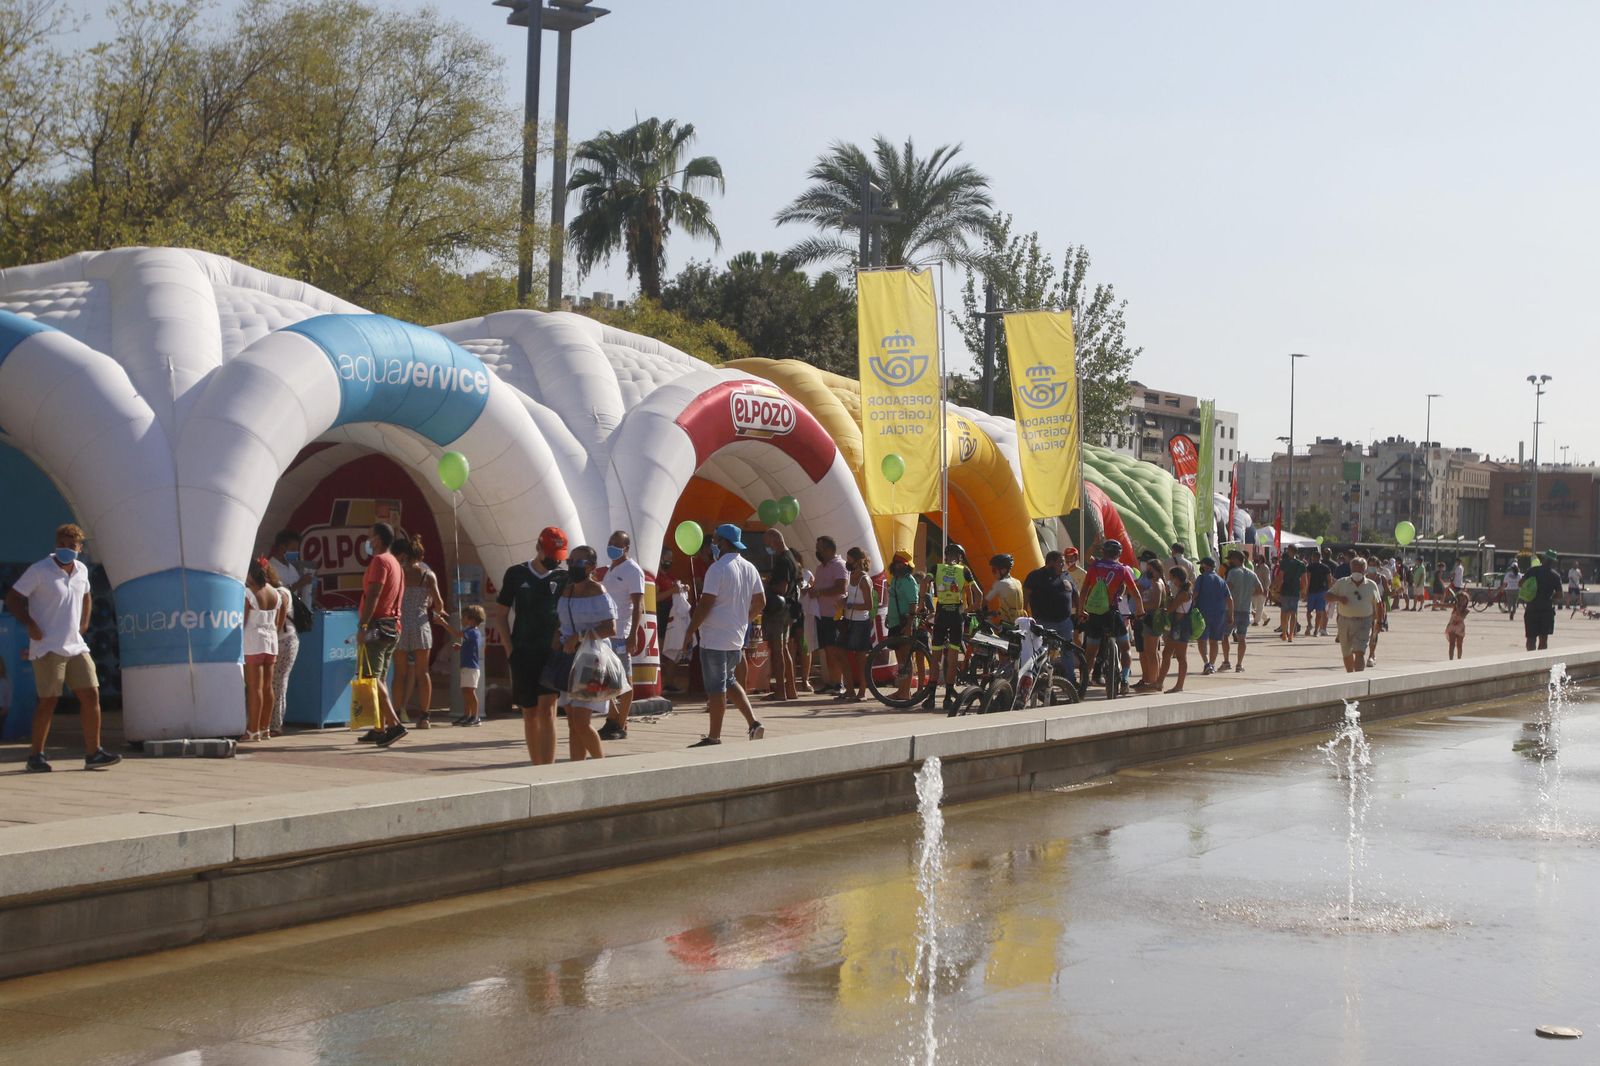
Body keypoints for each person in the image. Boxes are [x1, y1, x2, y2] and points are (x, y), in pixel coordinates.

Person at [4, 525, 120, 771]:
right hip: (47, 646)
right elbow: (13, 598)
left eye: (71, 545)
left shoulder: (82, 570)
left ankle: (93, 753)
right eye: (61, 544)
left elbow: (87, 595)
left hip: (76, 646)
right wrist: (30, 624)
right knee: (49, 700)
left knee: (91, 695)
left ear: (80, 548)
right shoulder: (39, 570)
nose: (65, 549)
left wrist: (85, 622)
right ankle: (36, 756)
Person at [683, 525, 766, 746]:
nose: (713, 544)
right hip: (735, 637)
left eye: (716, 540)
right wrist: (744, 619)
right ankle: (753, 722)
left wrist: (689, 631)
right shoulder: (750, 568)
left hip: (714, 638)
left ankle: (714, 737)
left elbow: (705, 604)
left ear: (723, 543)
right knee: (729, 681)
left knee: (716, 689)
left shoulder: (717, 568)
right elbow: (761, 602)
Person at [496, 527, 570, 765]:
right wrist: (510, 651)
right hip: (523, 652)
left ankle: (547, 769)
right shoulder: (516, 574)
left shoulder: (562, 577)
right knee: (529, 713)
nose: (553, 561)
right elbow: (501, 615)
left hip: (551, 654)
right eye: (550, 554)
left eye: (557, 556)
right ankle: (535, 765)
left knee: (548, 711)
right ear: (538, 548)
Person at [551, 545, 615, 762]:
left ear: (590, 566)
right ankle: (576, 768)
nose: (572, 566)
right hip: (568, 660)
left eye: (577, 563)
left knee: (581, 720)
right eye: (570, 562)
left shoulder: (598, 591)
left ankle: (600, 764)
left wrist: (578, 637)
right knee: (572, 722)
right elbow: (561, 625)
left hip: (592, 659)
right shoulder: (567, 591)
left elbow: (610, 627)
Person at [598, 531, 648, 739]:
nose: (612, 547)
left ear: (626, 548)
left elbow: (638, 605)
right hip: (606, 633)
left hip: (621, 633)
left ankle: (621, 723)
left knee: (624, 680)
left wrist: (633, 635)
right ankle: (612, 719)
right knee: (609, 680)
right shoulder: (610, 569)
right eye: (610, 543)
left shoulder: (633, 570)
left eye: (617, 544)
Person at [392, 534, 445, 729]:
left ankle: (396, 715)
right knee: (423, 673)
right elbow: (439, 605)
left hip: (401, 624)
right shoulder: (427, 575)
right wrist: (431, 604)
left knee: (399, 673)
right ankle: (425, 717)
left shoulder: (398, 573)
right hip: (420, 624)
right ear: (421, 557)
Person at [1077, 540, 1142, 696]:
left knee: (1091, 652)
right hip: (1112, 613)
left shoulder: (1095, 567)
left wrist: (1081, 611)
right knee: (1125, 648)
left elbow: (1084, 591)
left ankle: (1084, 682)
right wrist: (1140, 611)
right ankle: (1125, 679)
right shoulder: (1123, 570)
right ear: (1119, 554)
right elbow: (1136, 594)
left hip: (1095, 615)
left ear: (1103, 553)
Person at [266, 528, 312, 736]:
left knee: (277, 682)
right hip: (280, 634)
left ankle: (273, 723)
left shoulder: (290, 567)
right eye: (292, 548)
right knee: (272, 682)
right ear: (283, 546)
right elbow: (283, 595)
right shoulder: (272, 566)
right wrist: (298, 584)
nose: (294, 552)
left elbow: (285, 599)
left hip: (285, 634)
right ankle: (268, 722)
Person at [925, 542, 978, 710]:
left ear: (946, 556)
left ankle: (931, 698)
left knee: (936, 657)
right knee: (953, 656)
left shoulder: (936, 568)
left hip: (941, 614)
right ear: (960, 557)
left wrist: (921, 605)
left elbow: (924, 584)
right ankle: (948, 697)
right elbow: (980, 596)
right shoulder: (964, 571)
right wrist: (967, 610)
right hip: (956, 615)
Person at [242, 556, 284, 742]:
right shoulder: (277, 594)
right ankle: (265, 728)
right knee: (268, 687)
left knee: (254, 688)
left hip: (253, 640)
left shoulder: (248, 594)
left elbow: (241, 621)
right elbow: (278, 623)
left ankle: (252, 731)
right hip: (271, 640)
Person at [757, 529, 800, 705]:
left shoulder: (783, 560)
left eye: (769, 544)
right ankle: (791, 689)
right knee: (783, 650)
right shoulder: (791, 558)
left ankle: (781, 691)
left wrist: (766, 584)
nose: (769, 548)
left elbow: (782, 587)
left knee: (777, 650)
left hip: (778, 610)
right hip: (788, 608)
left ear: (775, 540)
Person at [1023, 551, 1078, 686]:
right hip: (1043, 621)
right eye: (1060, 561)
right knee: (1042, 653)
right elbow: (1026, 593)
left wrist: (1081, 611)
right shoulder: (1036, 575)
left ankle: (1071, 680)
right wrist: (1024, 610)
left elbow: (1076, 595)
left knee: (1068, 650)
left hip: (1065, 622)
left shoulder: (1066, 576)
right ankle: (1040, 682)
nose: (1063, 564)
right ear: (1050, 562)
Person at [801, 536, 847, 694]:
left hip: (835, 615)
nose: (817, 551)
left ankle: (839, 684)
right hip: (821, 615)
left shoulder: (840, 565)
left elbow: (841, 588)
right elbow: (817, 588)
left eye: (819, 548)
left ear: (828, 549)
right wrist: (809, 590)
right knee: (826, 650)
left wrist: (820, 592)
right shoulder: (820, 568)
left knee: (834, 650)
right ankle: (831, 682)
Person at [1326, 557, 1381, 673]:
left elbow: (1379, 604)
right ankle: (1350, 676)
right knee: (1347, 652)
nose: (1357, 572)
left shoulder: (1372, 585)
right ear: (1350, 569)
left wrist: (1379, 622)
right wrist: (1339, 598)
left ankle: (1358, 679)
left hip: (1364, 622)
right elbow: (1327, 596)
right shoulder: (1342, 583)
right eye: (1355, 569)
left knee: (1359, 652)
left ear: (1365, 570)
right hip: (1344, 622)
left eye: (1360, 569)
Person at [838, 547, 876, 701]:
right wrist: (844, 602)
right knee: (841, 652)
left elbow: (869, 605)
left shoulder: (864, 579)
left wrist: (849, 605)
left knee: (861, 659)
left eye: (850, 560)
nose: (847, 563)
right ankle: (849, 689)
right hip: (848, 620)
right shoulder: (851, 575)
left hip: (860, 622)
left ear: (857, 561)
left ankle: (862, 691)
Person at [885, 549, 921, 701]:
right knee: (900, 659)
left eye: (902, 564)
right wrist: (888, 616)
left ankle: (905, 692)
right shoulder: (895, 580)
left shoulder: (908, 581)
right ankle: (901, 690)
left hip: (905, 623)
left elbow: (913, 604)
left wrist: (909, 625)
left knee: (906, 658)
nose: (899, 566)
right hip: (894, 622)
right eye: (897, 563)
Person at [1221, 548, 1263, 672]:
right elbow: (1260, 589)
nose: (1229, 562)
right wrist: (1249, 593)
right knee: (1242, 638)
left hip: (1232, 609)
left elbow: (1228, 587)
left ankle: (1227, 661)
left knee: (1225, 636)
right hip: (1245, 609)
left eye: (1231, 559)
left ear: (1236, 560)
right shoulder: (1252, 573)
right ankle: (1239, 664)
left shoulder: (1233, 572)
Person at [1130, 557, 1167, 692]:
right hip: (1150, 619)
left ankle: (1152, 682)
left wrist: (1140, 606)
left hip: (1151, 619)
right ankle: (1153, 680)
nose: (1148, 572)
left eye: (1150, 569)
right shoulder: (1154, 583)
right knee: (1151, 652)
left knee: (1150, 652)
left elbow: (1155, 603)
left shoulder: (1157, 583)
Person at [1156, 566, 1193, 693]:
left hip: (1181, 626)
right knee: (1167, 653)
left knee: (1181, 657)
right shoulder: (1182, 591)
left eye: (1172, 578)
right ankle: (1159, 682)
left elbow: (1172, 608)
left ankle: (1179, 686)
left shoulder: (1183, 593)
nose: (1171, 580)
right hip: (1177, 626)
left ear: (1177, 578)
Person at [1191, 557, 1231, 675]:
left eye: (1202, 565)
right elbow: (1230, 599)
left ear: (1205, 566)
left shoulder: (1201, 578)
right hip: (1219, 614)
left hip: (1202, 614)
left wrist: (1190, 608)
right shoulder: (1221, 580)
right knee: (1214, 641)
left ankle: (1206, 662)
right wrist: (1230, 614)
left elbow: (1195, 595)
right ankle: (1212, 664)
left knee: (1202, 639)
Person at [449, 604, 486, 726]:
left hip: (471, 667)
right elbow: (471, 647)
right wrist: (461, 647)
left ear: (471, 619)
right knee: (466, 692)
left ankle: (476, 716)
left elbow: (456, 634)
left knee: (470, 692)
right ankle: (467, 715)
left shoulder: (472, 632)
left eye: (463, 617)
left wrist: (443, 623)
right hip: (466, 666)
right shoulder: (470, 633)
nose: (461, 620)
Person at [1522, 549, 1564, 651]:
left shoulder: (1532, 571)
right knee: (1543, 640)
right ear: (1553, 562)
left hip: (1532, 608)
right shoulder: (1555, 576)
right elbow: (1559, 595)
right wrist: (1551, 599)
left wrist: (1530, 591)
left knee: (1531, 639)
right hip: (1546, 610)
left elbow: (1521, 583)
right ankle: (1540, 663)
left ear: (1543, 559)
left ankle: (1530, 661)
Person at [659, 579, 693, 695]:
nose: (668, 560)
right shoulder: (657, 576)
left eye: (669, 559)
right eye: (666, 559)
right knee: (661, 650)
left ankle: (669, 683)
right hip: (660, 613)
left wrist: (684, 588)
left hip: (672, 614)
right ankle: (658, 682)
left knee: (673, 652)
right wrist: (672, 591)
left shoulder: (671, 576)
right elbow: (655, 598)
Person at [1275, 546, 1307, 641]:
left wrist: (1276, 588)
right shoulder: (1301, 564)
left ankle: (1284, 633)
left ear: (1290, 551)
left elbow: (1280, 577)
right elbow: (1304, 579)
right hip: (1295, 590)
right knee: (1293, 613)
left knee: (1284, 612)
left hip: (1285, 589)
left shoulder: (1284, 563)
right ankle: (1291, 635)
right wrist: (1304, 590)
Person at [985, 553, 1024, 626]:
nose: (993, 573)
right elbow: (1011, 606)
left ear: (1003, 570)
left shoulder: (1000, 583)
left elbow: (984, 601)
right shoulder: (1017, 582)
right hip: (1021, 621)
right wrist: (997, 612)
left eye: (994, 570)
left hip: (1009, 623)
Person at [1305, 548, 1333, 638]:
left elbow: (1307, 580)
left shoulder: (1310, 567)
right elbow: (1330, 580)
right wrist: (1329, 591)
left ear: (1313, 558)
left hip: (1312, 592)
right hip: (1322, 592)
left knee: (1309, 611)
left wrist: (1306, 592)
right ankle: (1316, 630)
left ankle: (1310, 624)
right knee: (1319, 612)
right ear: (1320, 557)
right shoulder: (1325, 567)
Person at [1446, 589, 1469, 660]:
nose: (1463, 601)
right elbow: (1444, 605)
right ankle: (1451, 660)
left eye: (1464, 600)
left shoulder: (1466, 610)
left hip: (1460, 628)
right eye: (1461, 599)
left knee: (1459, 645)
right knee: (1451, 644)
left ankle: (1459, 659)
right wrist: (1432, 604)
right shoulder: (1454, 606)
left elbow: (1461, 616)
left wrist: (1457, 607)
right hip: (1452, 626)